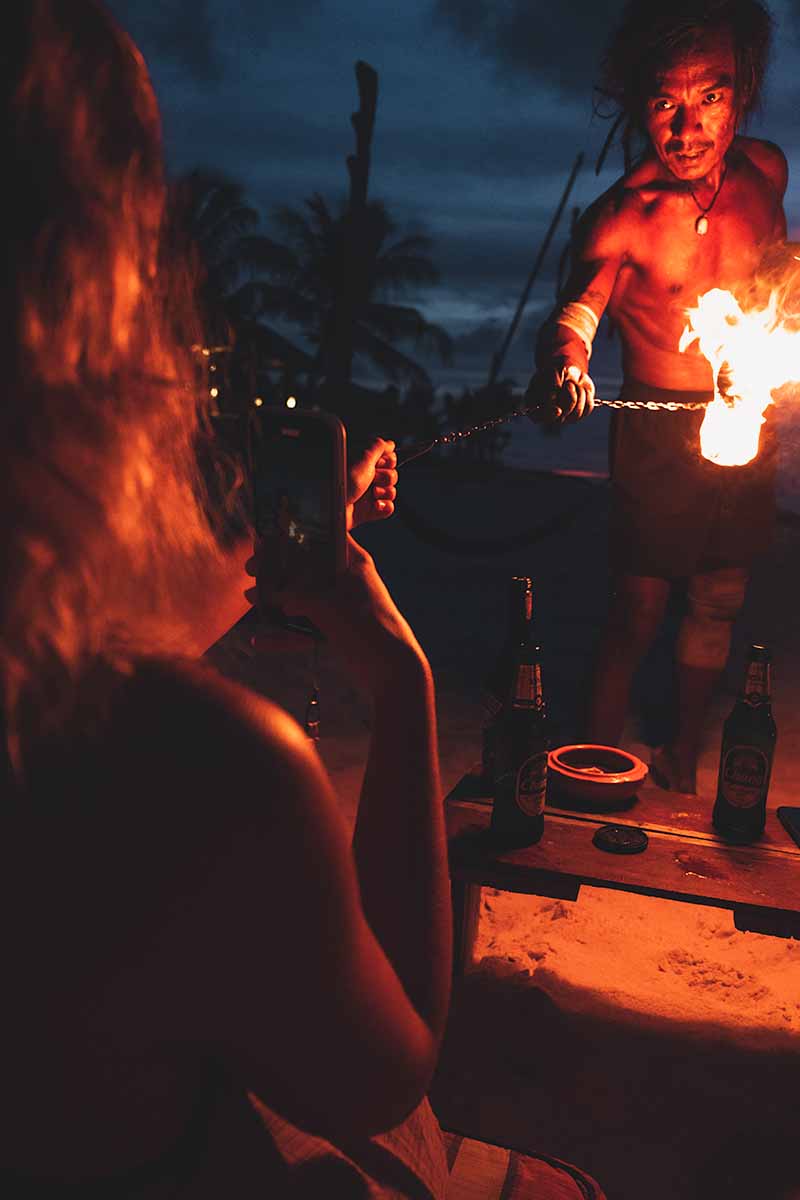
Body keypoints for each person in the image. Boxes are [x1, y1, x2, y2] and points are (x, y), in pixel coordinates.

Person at [0, 5, 609, 1198]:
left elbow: (64, 654)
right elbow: (387, 1071)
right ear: (95, 292)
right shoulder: (207, 771)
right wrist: (399, 673)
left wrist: (266, 558)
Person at [528, 0, 786, 793]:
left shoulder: (768, 172)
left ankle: (682, 766)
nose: (687, 127)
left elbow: (777, 279)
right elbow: (576, 312)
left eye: (710, 96)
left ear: (741, 91)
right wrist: (565, 364)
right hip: (657, 433)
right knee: (637, 610)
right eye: (664, 101)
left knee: (719, 600)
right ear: (637, 100)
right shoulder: (622, 217)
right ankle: (593, 773)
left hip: (747, 420)